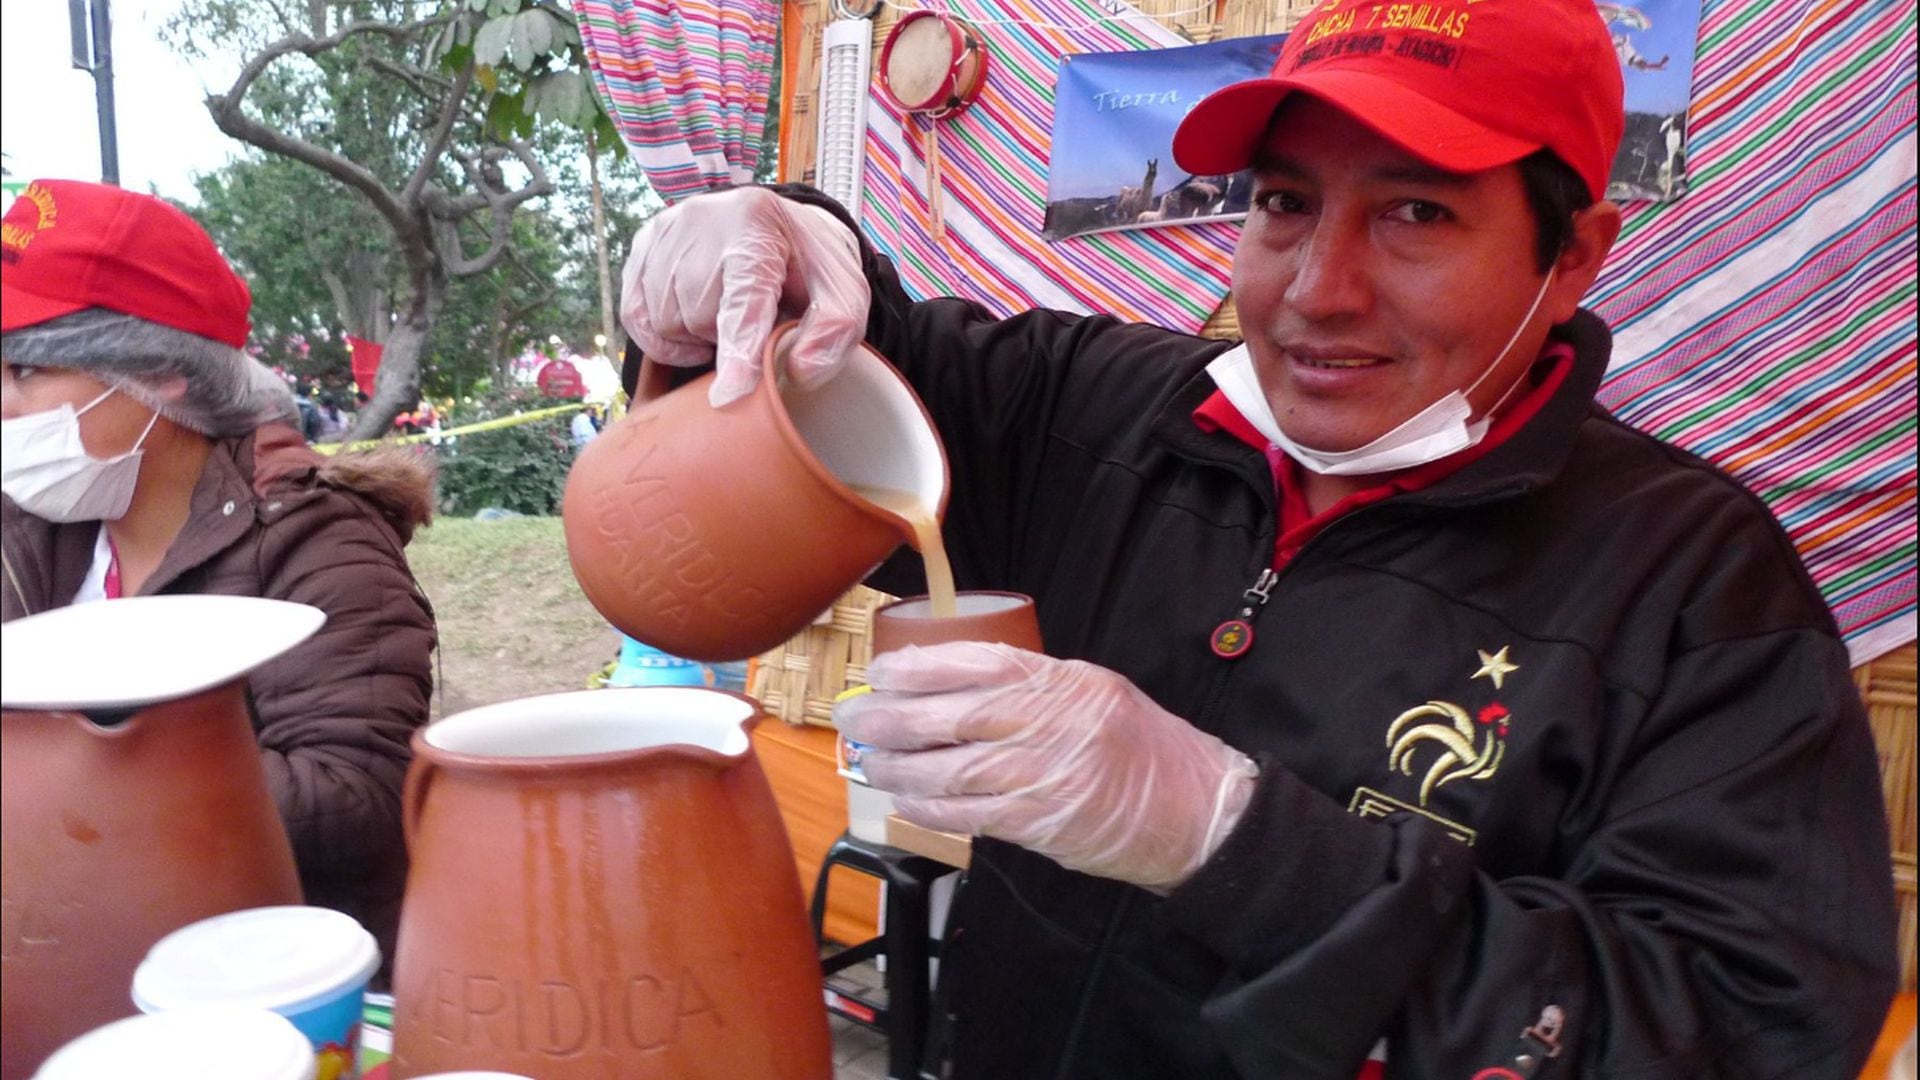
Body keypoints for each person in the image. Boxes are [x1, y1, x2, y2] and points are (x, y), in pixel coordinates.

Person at [616, 1, 1900, 1075]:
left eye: (1418, 215)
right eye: (1285, 203)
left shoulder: (1697, 588)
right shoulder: (1103, 409)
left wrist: (1234, 839)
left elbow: (1752, 1028)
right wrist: (778, 243)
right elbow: (870, 363)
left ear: (1574, 256)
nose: (1316, 288)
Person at [0, 179, 436, 981]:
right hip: (65, 963)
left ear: (159, 371)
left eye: (25, 370)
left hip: (263, 988)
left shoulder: (312, 540)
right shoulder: (28, 532)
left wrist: (84, 771)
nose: (3, 405)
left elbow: (357, 799)